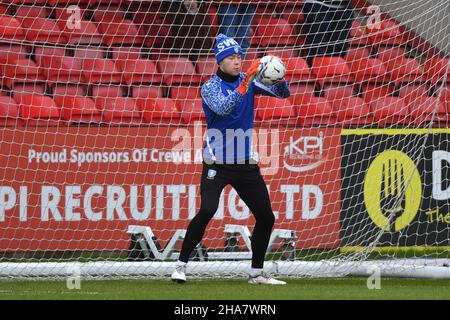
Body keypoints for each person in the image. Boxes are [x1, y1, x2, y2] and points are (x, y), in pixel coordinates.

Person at [171, 33, 290, 285]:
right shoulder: (210, 87)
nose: (237, 62)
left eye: (239, 57)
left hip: (245, 163)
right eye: (232, 58)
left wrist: (277, 75)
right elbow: (224, 107)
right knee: (207, 210)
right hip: (218, 164)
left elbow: (283, 94)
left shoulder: (248, 82)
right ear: (220, 61)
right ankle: (180, 266)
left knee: (266, 217)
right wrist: (247, 81)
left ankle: (256, 274)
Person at [302, 0, 355, 67]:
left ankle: (332, 74)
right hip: (318, 3)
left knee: (339, 49)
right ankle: (313, 72)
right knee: (317, 48)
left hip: (344, 6)